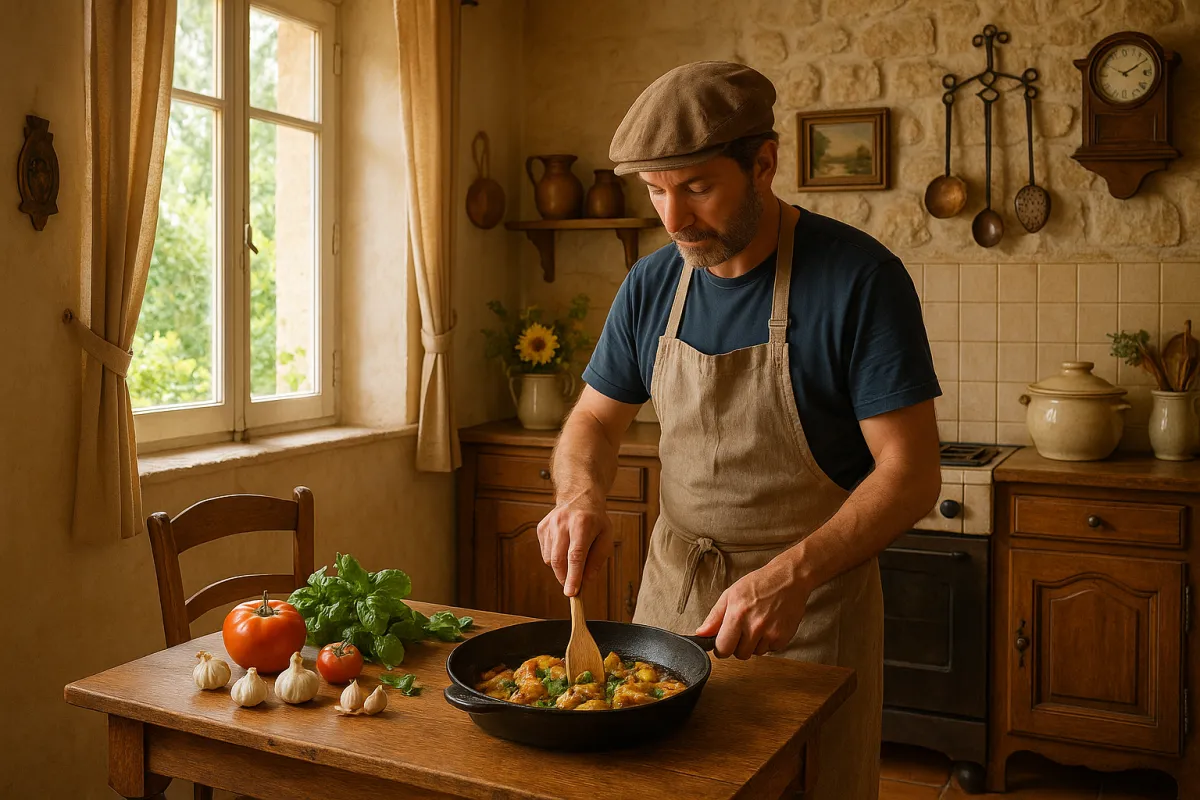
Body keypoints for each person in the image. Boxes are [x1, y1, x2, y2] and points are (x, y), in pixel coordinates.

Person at [537, 60, 942, 799]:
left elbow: (910, 474)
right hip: (671, 600)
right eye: (656, 191)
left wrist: (791, 576)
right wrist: (579, 493)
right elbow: (594, 418)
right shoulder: (651, 285)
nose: (673, 219)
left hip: (810, 611)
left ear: (764, 163)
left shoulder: (859, 280)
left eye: (697, 187)